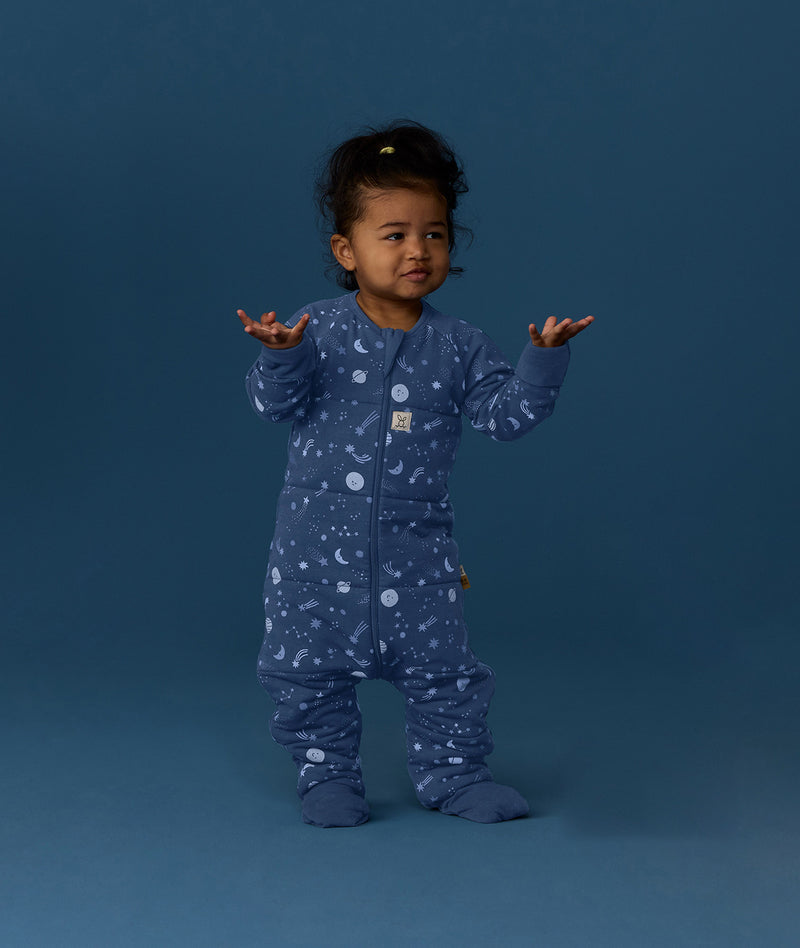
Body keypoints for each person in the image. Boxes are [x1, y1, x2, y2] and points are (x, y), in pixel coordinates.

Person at [237, 121, 593, 827]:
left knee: (447, 679)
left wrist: (543, 359)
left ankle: (456, 778)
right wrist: (279, 355)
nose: (417, 250)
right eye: (394, 234)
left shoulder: (458, 345)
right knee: (307, 676)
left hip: (417, 559)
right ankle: (327, 777)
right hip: (313, 563)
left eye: (433, 234)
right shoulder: (316, 329)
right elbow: (272, 406)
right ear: (347, 249)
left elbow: (506, 417)